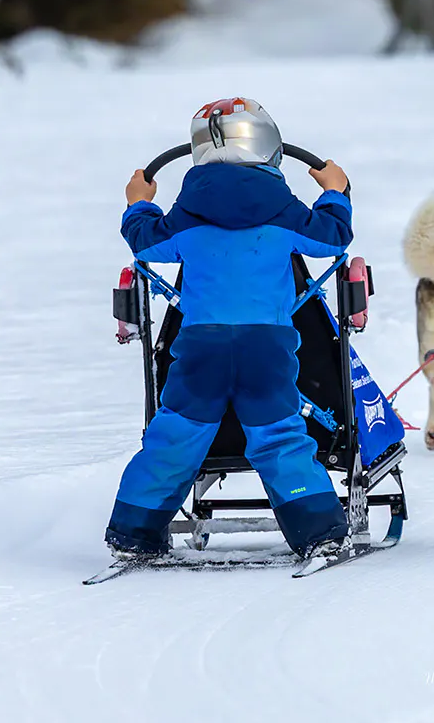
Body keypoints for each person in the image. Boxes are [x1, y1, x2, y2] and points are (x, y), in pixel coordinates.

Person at [105, 97, 352, 562]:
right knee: (279, 436)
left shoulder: (186, 215)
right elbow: (332, 237)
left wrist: (139, 204)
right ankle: (318, 530)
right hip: (266, 346)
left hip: (202, 345)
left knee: (175, 435)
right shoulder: (285, 212)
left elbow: (145, 243)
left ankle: (133, 530)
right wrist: (335, 191)